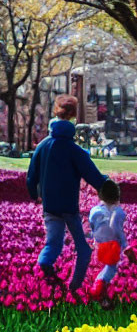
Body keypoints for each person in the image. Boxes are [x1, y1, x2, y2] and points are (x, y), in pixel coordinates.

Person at [27, 95, 112, 292]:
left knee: (53, 243)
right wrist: (107, 185)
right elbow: (94, 176)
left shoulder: (42, 146)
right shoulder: (74, 150)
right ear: (74, 118)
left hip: (50, 207)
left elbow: (31, 177)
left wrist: (34, 195)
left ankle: (45, 264)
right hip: (68, 207)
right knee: (83, 249)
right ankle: (73, 287)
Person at [88, 180, 137, 308]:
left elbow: (93, 226)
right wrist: (125, 246)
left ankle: (100, 289)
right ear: (117, 197)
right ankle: (99, 286)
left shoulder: (94, 211)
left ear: (100, 196)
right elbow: (119, 231)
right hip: (113, 245)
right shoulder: (119, 212)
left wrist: (95, 240)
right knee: (111, 267)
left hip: (99, 245)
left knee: (104, 264)